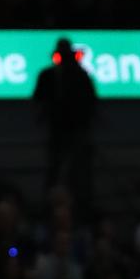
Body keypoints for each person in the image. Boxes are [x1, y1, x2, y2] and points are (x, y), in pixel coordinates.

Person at [32, 37, 97, 209]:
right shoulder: (48, 76)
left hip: (77, 131)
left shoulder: (81, 76)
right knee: (55, 168)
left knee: (78, 171)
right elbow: (38, 99)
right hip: (57, 130)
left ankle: (81, 205)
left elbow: (90, 102)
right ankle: (51, 205)